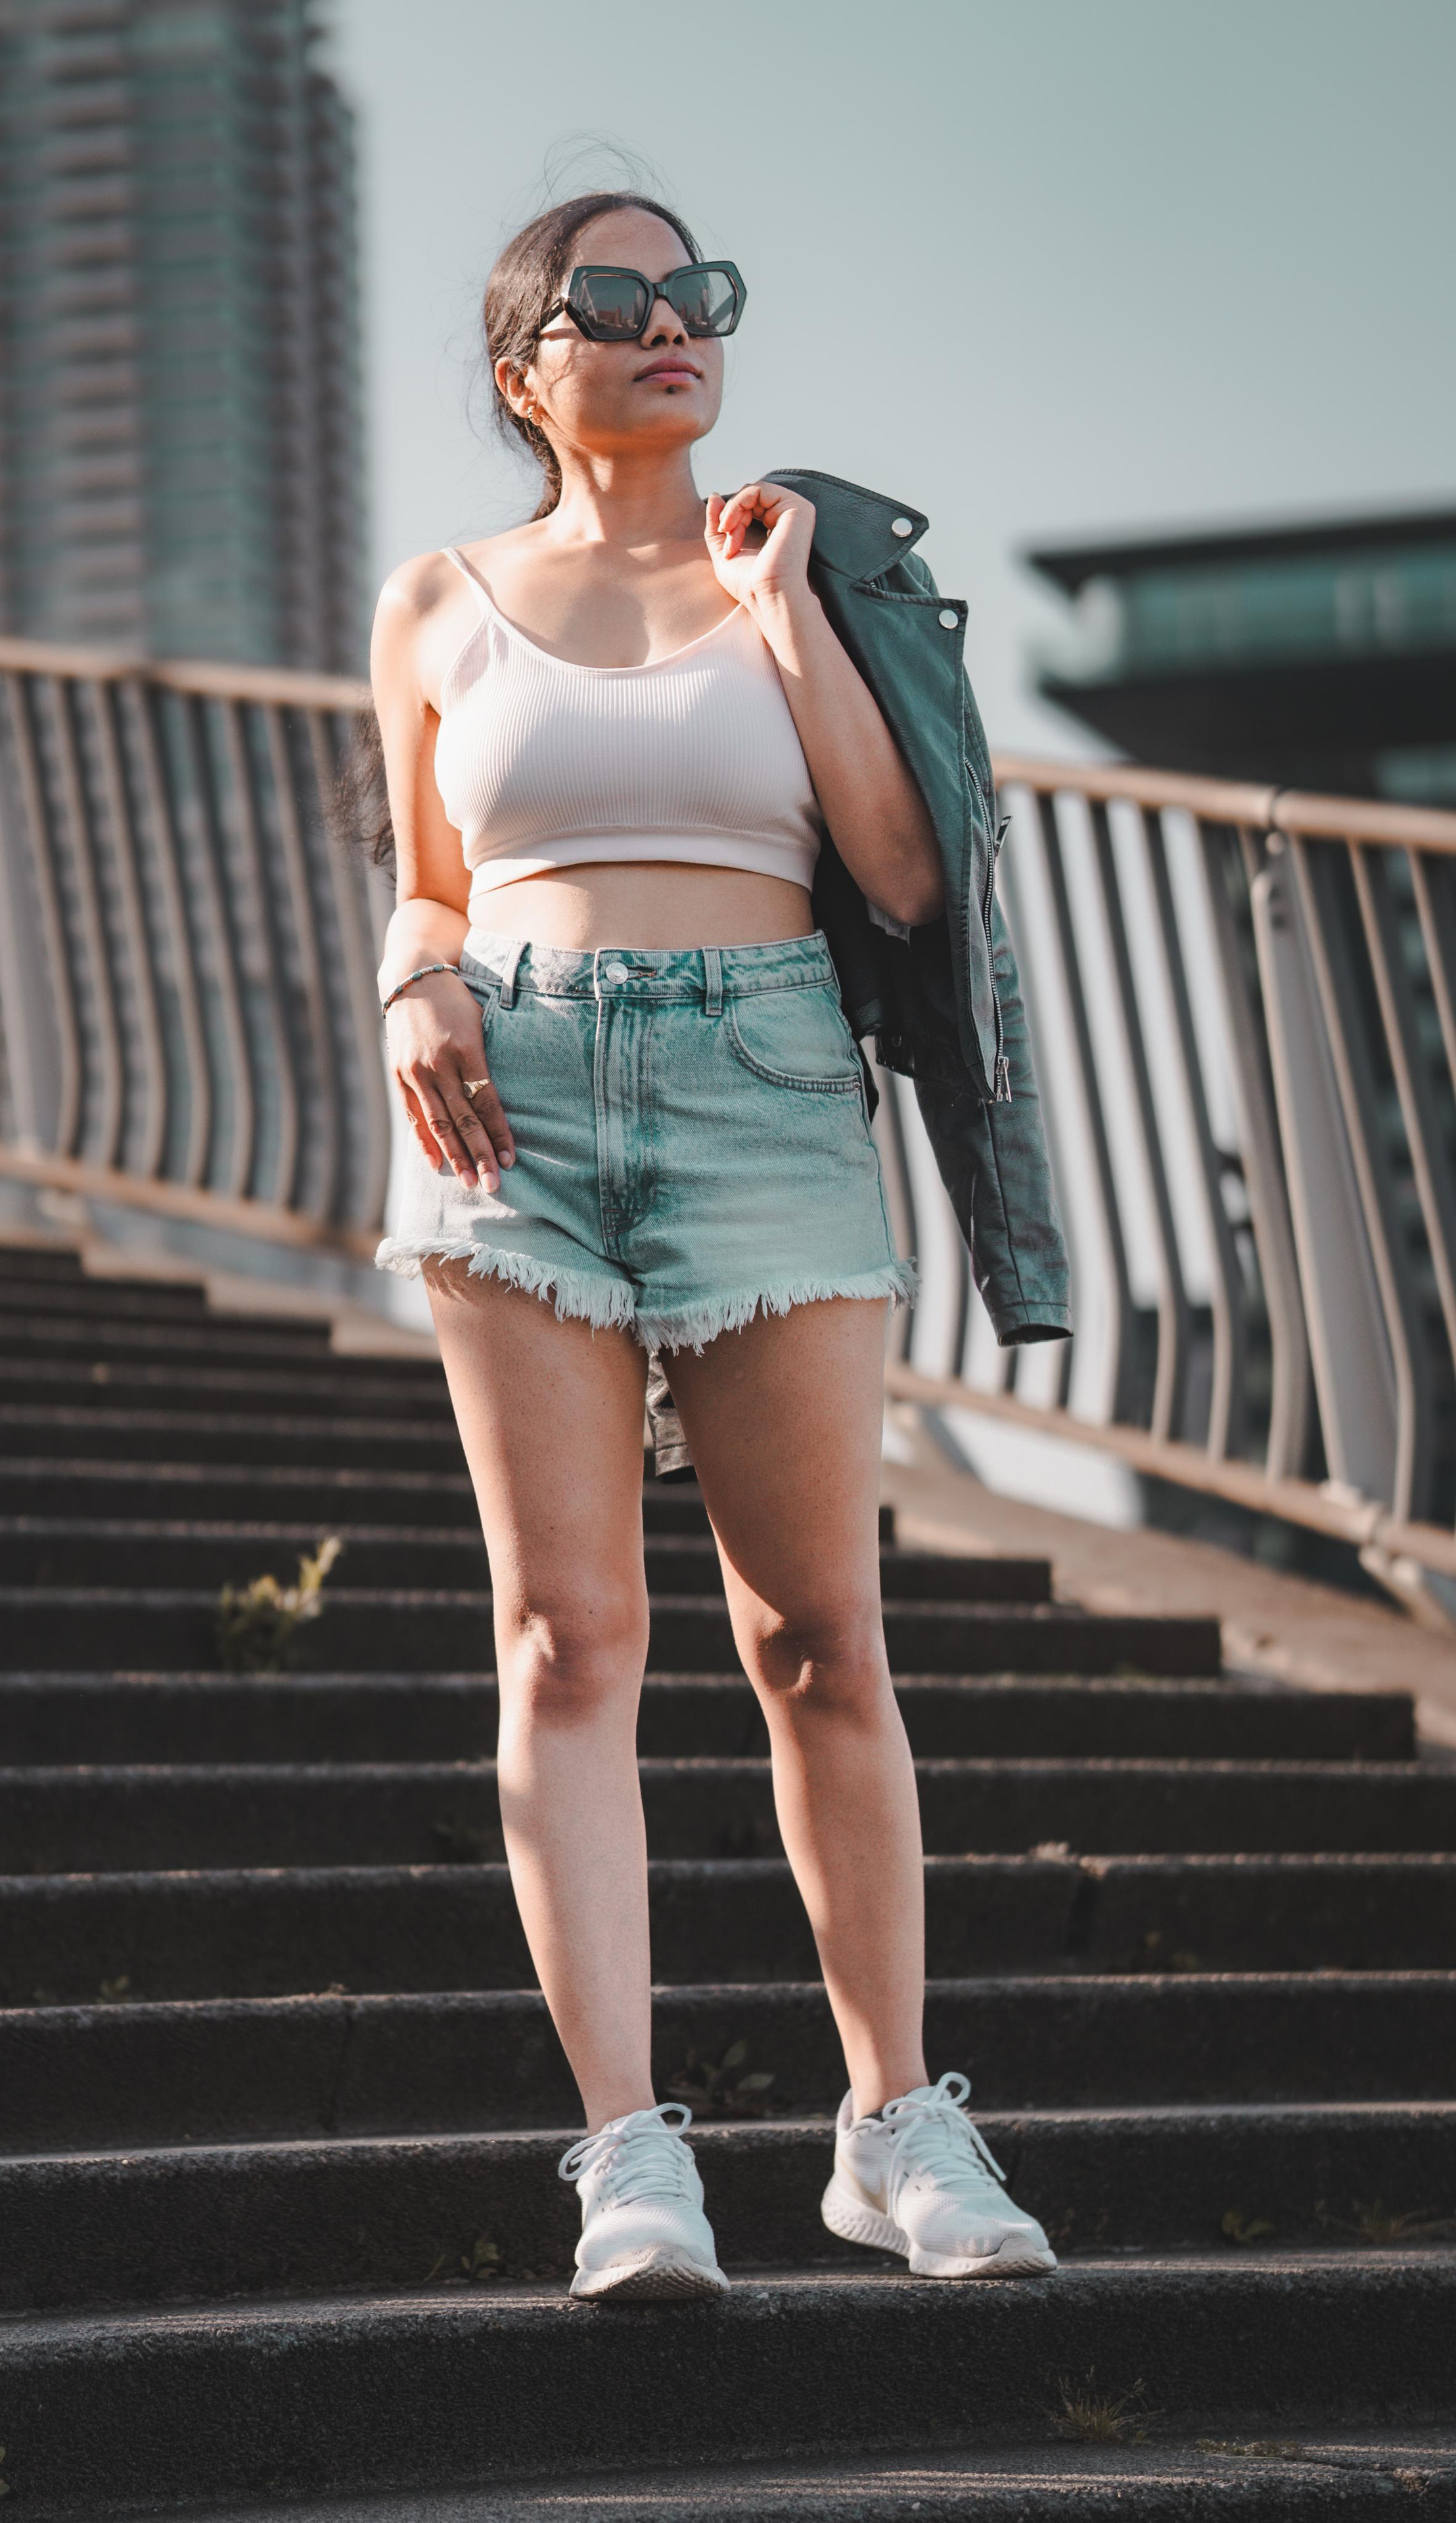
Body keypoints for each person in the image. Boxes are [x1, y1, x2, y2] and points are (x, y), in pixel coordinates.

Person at [367, 189, 1057, 2300]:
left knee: (817, 1635)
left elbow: (904, 877)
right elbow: (430, 878)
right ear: (527, 371)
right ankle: (628, 2155)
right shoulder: (439, 599)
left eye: (697, 293)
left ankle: (894, 2126)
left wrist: (785, 616)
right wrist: (412, 982)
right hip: (514, 1107)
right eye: (617, 298)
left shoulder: (799, 568)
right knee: (569, 1638)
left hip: (767, 1086)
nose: (671, 321)